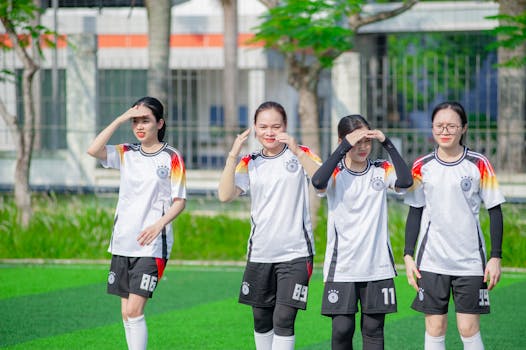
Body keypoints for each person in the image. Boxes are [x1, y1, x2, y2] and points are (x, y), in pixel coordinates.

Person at [218, 101, 321, 350]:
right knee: (261, 320)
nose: (269, 132)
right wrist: (233, 155)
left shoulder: (301, 152)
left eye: (276, 126)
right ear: (254, 128)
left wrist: (297, 151)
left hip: (296, 254)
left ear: (285, 126)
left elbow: (321, 181)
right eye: (263, 126)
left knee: (284, 319)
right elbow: (225, 195)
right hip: (261, 253)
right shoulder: (249, 161)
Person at [87, 96, 186, 350]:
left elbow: (179, 201)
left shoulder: (171, 157)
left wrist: (158, 225)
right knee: (126, 314)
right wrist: (120, 118)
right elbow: (94, 149)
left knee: (134, 310)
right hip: (122, 242)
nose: (140, 126)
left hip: (152, 246)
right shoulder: (126, 152)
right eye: (135, 121)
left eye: (146, 120)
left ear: (160, 123)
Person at [403, 101, 505, 350]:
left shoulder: (479, 163)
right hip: (432, 261)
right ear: (432, 128)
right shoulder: (422, 165)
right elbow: (415, 212)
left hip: (470, 262)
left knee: (468, 328)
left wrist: (495, 257)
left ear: (463, 129)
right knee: (435, 328)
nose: (445, 131)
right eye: (439, 126)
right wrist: (407, 254)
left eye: (451, 126)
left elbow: (495, 210)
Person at [311, 115, 413, 350]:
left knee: (373, 330)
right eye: (356, 142)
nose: (363, 147)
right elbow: (317, 182)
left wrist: (386, 143)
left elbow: (406, 182)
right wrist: (343, 147)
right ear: (342, 141)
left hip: (376, 266)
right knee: (342, 330)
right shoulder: (334, 172)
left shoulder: (381, 169)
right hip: (342, 267)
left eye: (366, 141)